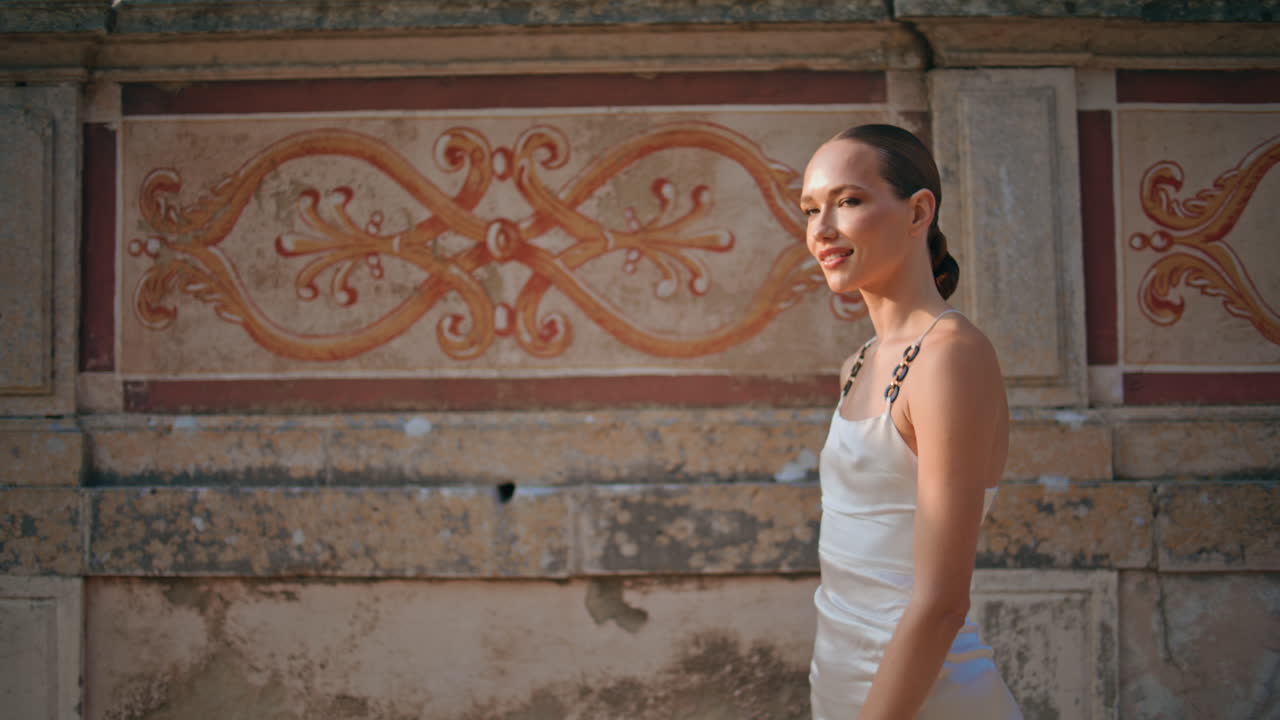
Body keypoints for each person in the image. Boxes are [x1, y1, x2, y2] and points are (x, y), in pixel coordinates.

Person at [800, 124, 1022, 719]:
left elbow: (942, 603)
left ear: (918, 209)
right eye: (810, 209)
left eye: (847, 202)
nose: (822, 230)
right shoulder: (860, 362)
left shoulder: (952, 355)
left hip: (933, 702)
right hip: (841, 695)